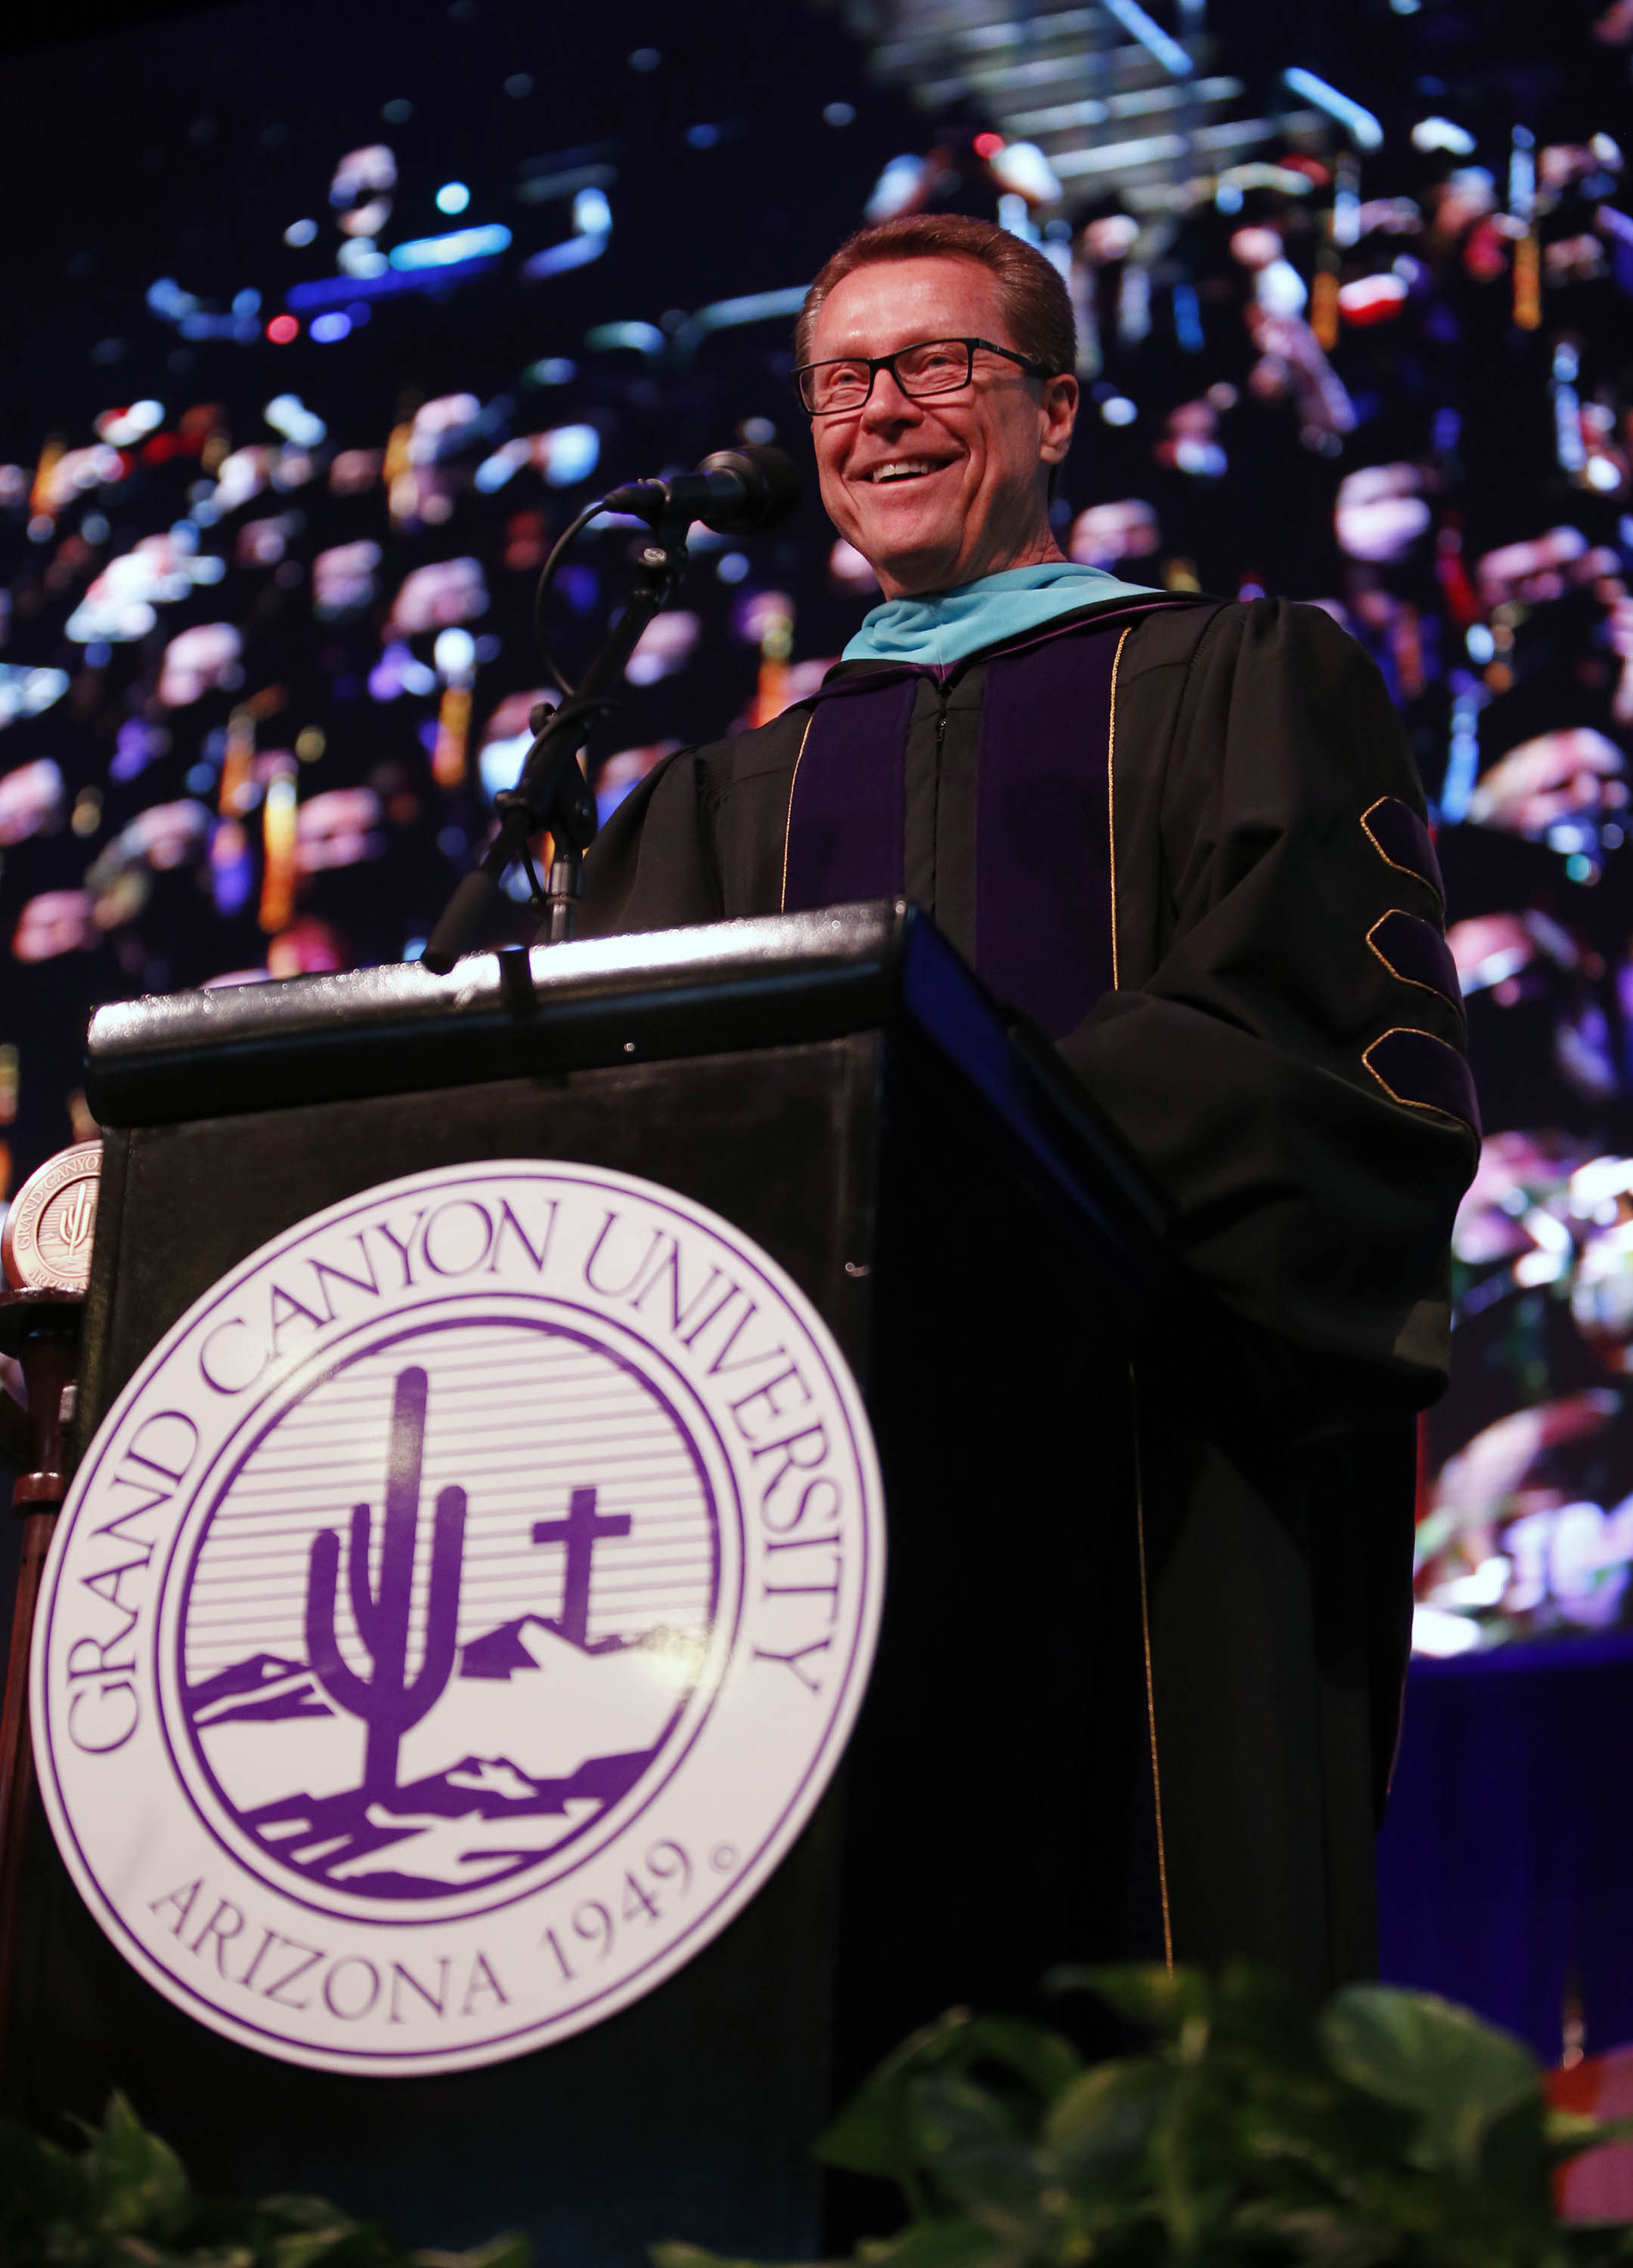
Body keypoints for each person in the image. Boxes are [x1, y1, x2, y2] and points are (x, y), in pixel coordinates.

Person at [580, 211, 1478, 1995]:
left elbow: (1318, 1038)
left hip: (1166, 1463)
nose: (882, 411)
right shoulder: (717, 802)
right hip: (809, 1510)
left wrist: (955, 1171)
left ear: (1056, 410)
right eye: (844, 379)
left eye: (938, 363)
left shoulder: (1244, 680)